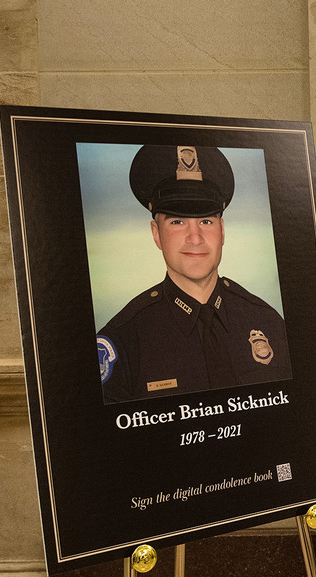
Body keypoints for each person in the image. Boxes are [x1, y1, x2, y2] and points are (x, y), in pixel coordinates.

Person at [96, 145, 291, 403]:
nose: (195, 238)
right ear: (156, 234)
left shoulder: (269, 323)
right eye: (177, 222)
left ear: (222, 231)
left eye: (206, 221)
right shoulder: (123, 342)